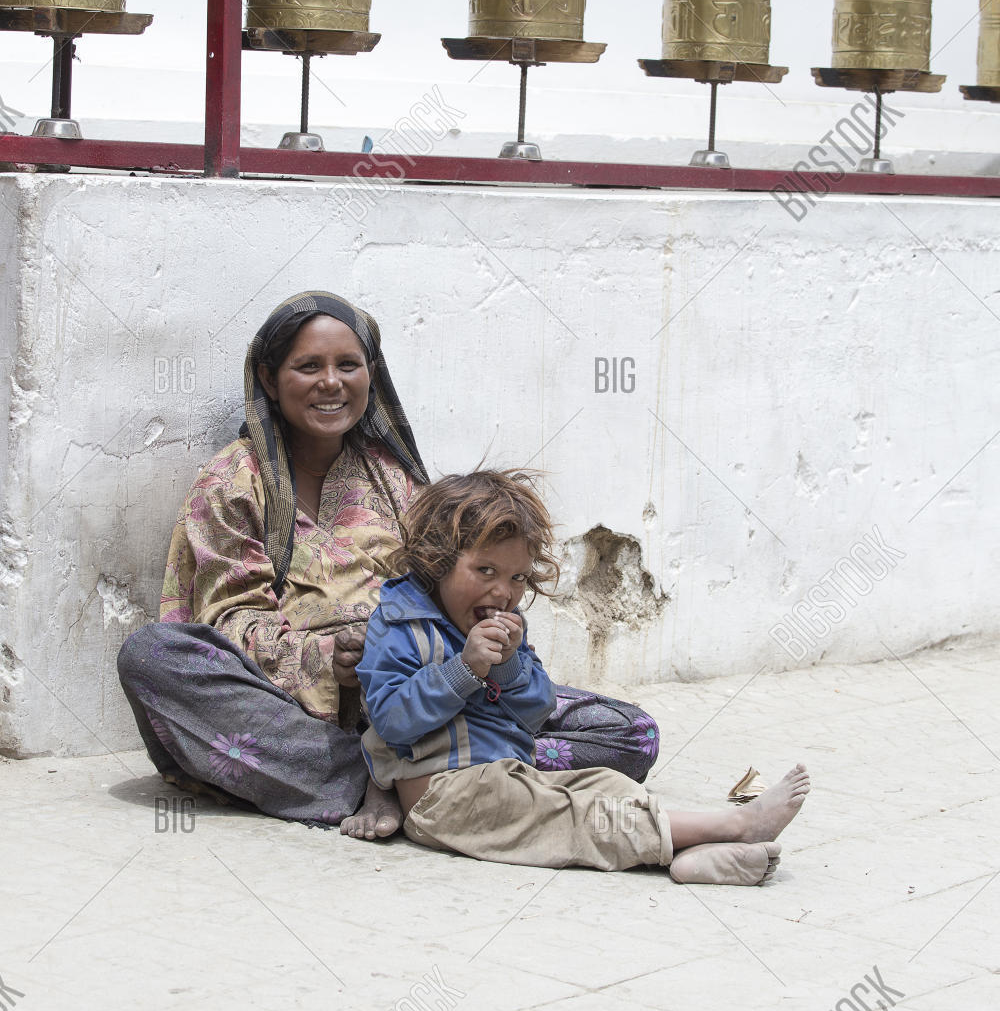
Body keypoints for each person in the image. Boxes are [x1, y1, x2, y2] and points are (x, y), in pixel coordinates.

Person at [117, 292, 661, 837]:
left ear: (370, 374)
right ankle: (407, 781)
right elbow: (227, 622)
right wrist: (328, 658)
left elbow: (448, 584)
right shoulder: (230, 484)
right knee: (153, 658)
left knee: (629, 733)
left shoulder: (392, 475)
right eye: (309, 366)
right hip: (301, 711)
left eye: (348, 365)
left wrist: (487, 654)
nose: (331, 382)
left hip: (426, 693)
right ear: (268, 377)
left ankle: (435, 777)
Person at [358, 470, 810, 883]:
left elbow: (536, 711)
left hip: (513, 775)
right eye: (485, 571)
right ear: (437, 561)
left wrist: (510, 667)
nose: (503, 592)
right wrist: (462, 670)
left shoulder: (507, 626)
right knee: (572, 815)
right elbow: (393, 720)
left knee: (606, 787)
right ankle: (737, 825)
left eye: (517, 577)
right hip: (442, 798)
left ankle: (689, 859)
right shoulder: (400, 623)